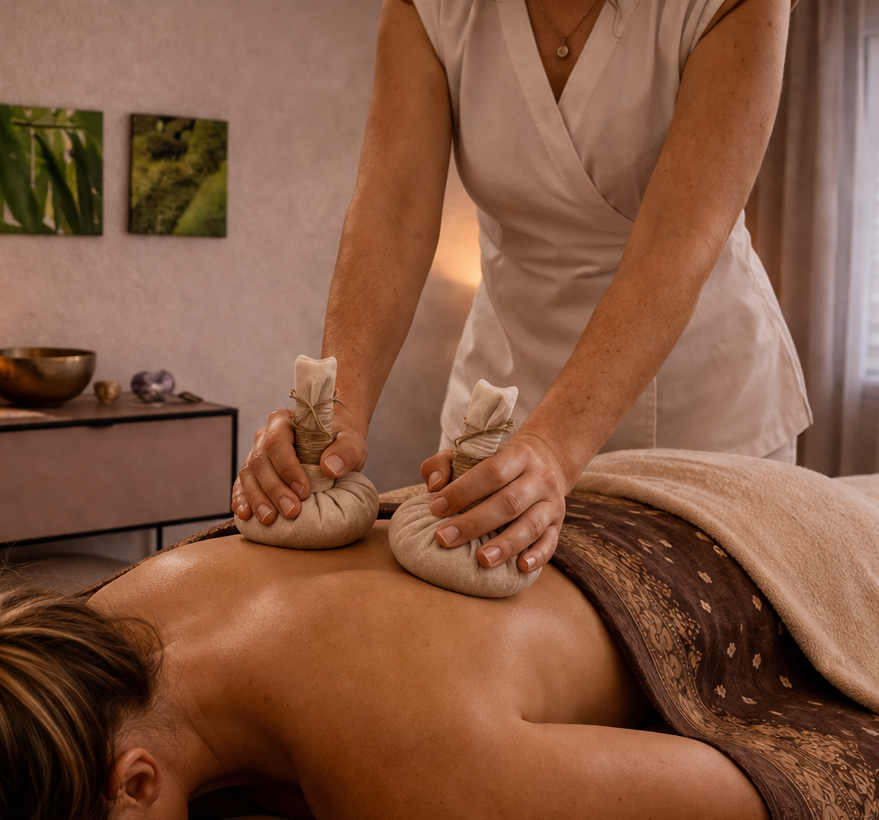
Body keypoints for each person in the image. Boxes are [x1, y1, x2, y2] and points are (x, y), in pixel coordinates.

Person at [0, 539, 777, 820]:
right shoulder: (104, 619)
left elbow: (761, 805)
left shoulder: (407, 776)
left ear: (134, 781)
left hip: (730, 561)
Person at [234, 0, 810, 578]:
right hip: (495, 407)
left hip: (698, 406)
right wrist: (334, 413)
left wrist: (554, 448)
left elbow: (677, 241)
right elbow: (393, 213)